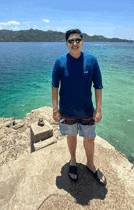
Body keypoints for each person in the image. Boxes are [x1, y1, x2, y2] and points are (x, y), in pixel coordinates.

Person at [51, 29, 106, 185]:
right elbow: (54, 87)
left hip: (87, 110)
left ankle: (90, 164)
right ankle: (73, 161)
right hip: (67, 111)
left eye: (77, 40)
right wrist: (55, 110)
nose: (74, 44)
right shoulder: (60, 62)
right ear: (66, 44)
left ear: (82, 41)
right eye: (71, 41)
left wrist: (99, 109)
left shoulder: (91, 60)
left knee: (90, 138)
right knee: (71, 136)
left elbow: (98, 86)